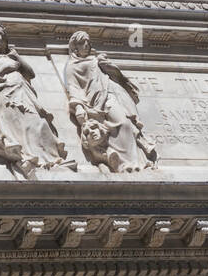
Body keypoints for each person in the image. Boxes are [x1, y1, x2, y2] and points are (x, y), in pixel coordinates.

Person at [0, 23, 76, 177]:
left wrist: (17, 57)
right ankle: (28, 159)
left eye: (3, 36)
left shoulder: (10, 57)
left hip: (25, 94)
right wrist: (5, 68)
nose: (0, 38)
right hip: (6, 97)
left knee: (39, 124)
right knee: (21, 129)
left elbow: (30, 73)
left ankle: (52, 160)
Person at [65, 31, 157, 173]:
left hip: (110, 95)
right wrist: (78, 107)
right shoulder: (72, 66)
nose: (87, 45)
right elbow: (73, 88)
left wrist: (106, 65)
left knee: (125, 124)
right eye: (82, 42)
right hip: (94, 102)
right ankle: (122, 164)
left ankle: (137, 162)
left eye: (88, 42)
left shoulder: (97, 60)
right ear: (75, 47)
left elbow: (116, 75)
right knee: (122, 125)